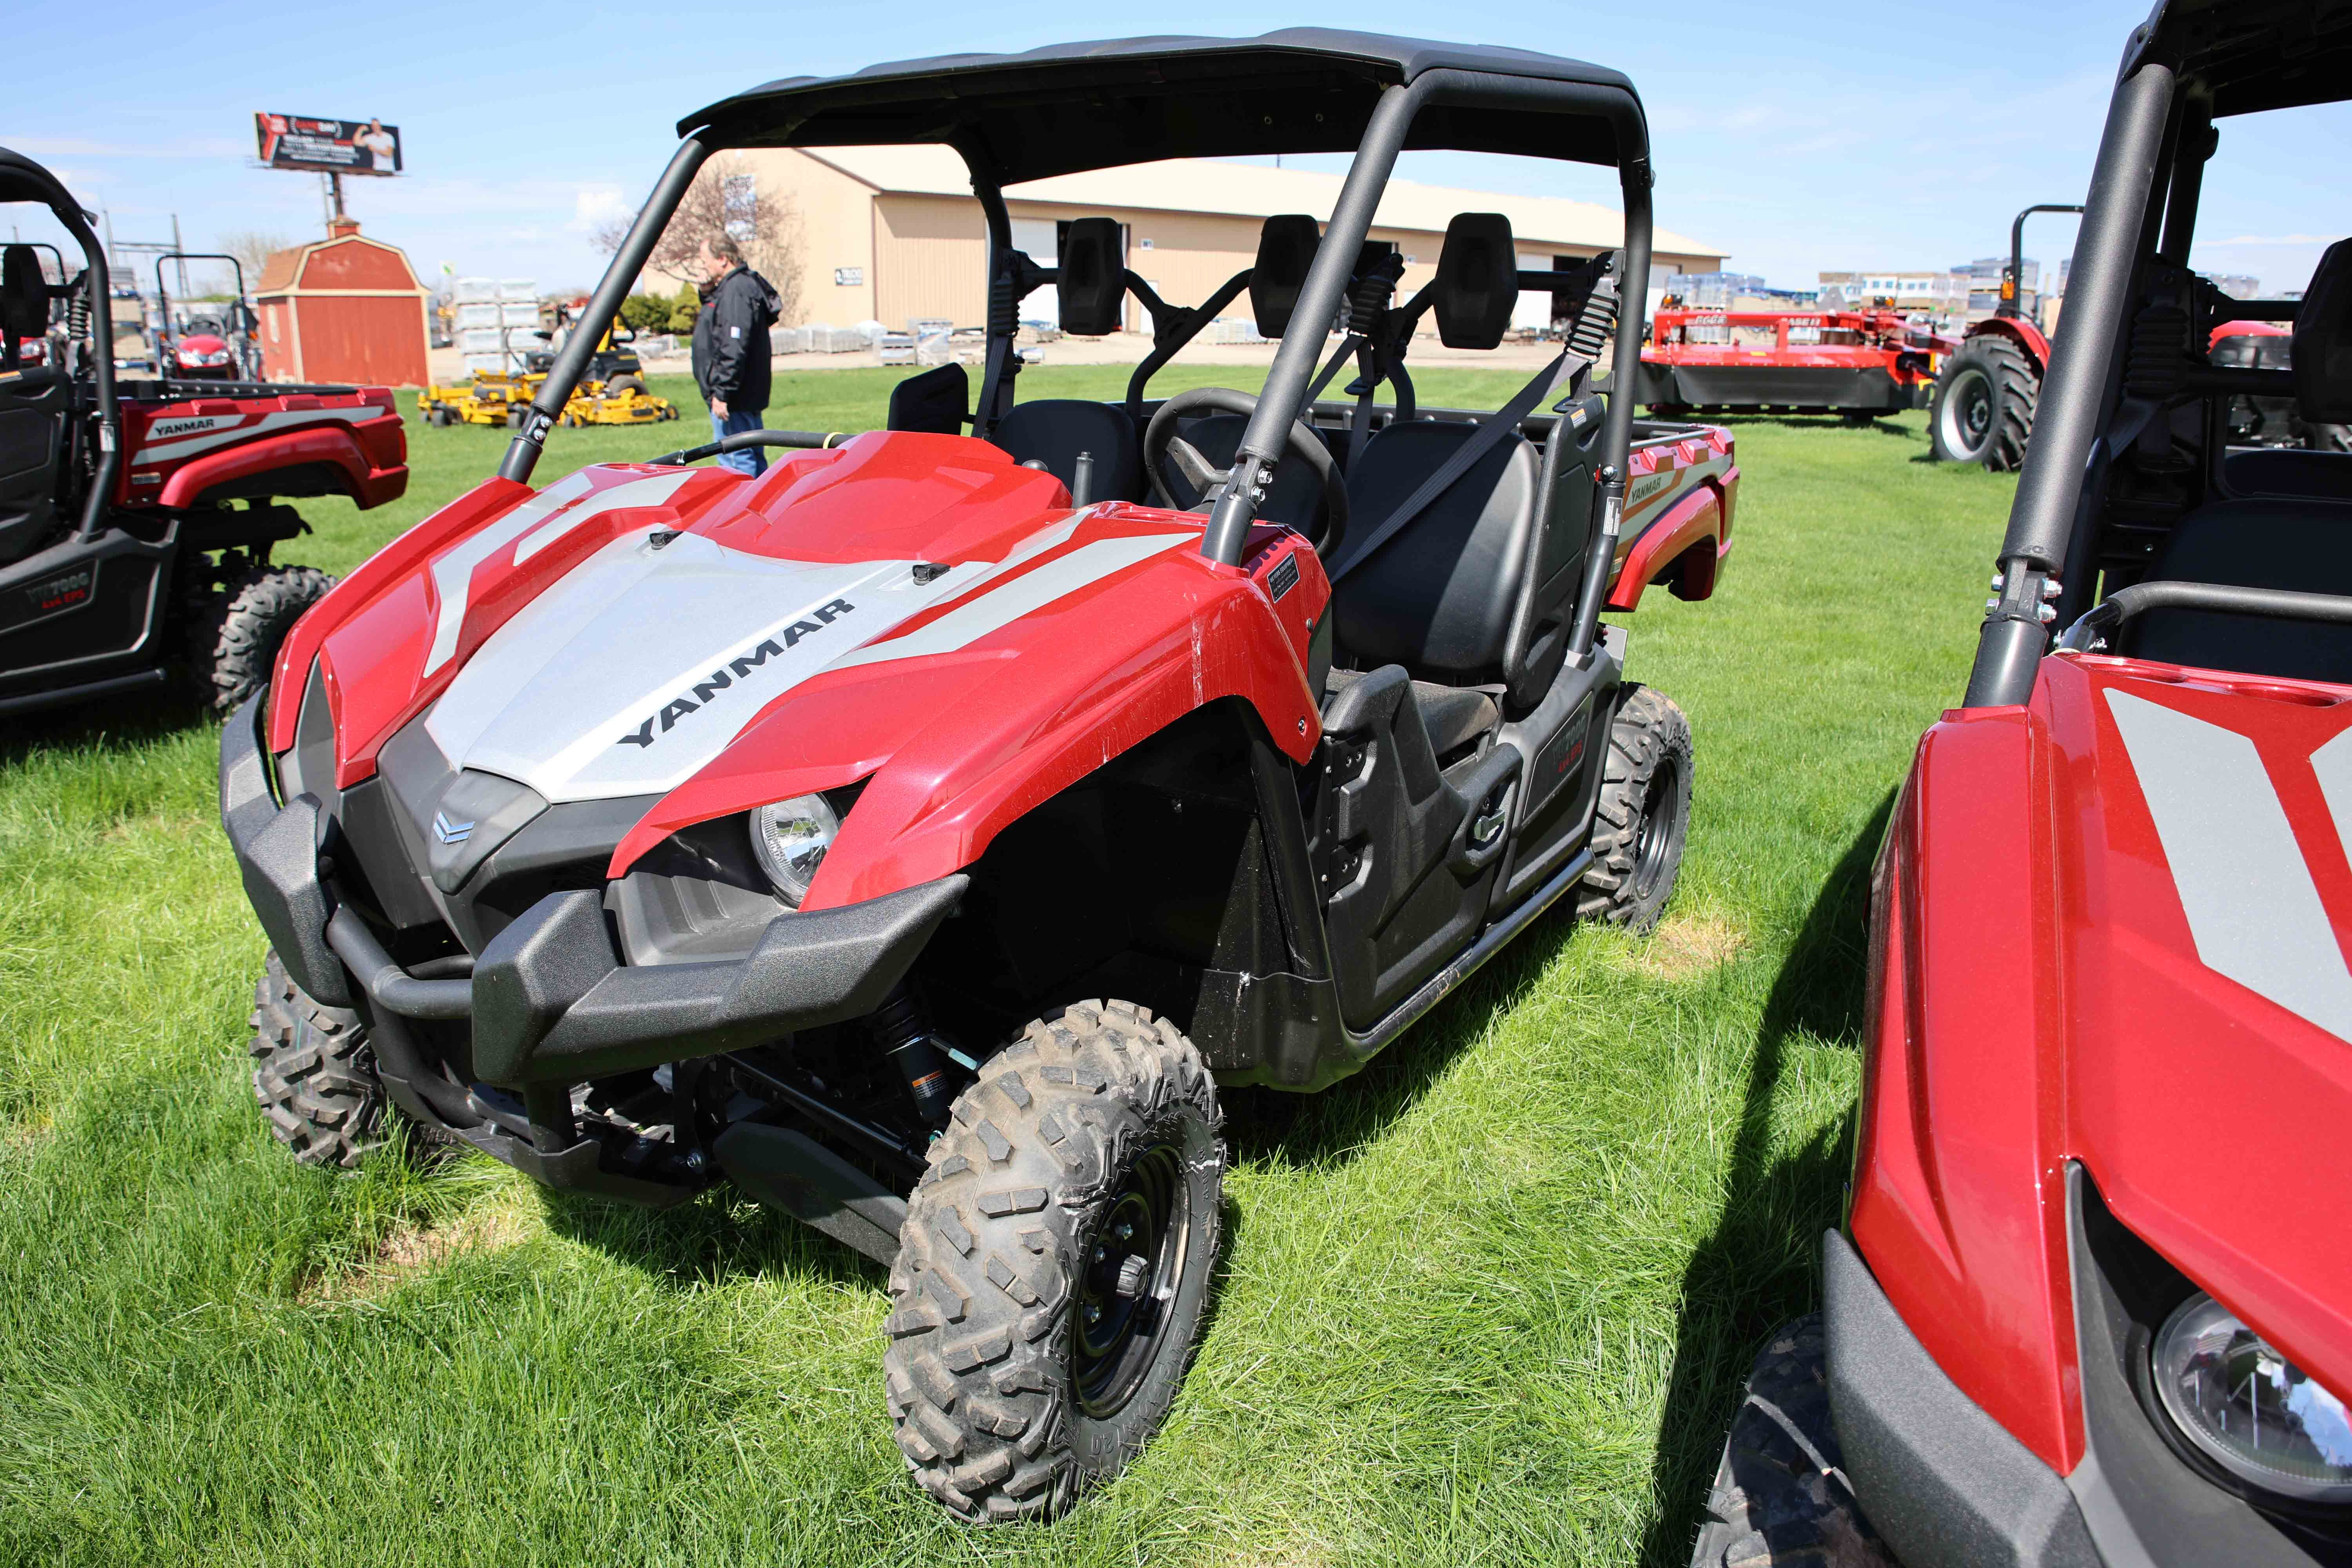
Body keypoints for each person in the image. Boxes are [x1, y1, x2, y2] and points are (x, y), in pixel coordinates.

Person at [690, 235, 782, 477]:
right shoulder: (738, 286)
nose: (704, 266)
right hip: (742, 393)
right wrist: (707, 291)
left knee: (737, 461)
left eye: (705, 260)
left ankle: (743, 513)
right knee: (750, 455)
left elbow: (734, 345)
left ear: (722, 259)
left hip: (735, 397)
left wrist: (722, 392)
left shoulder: (736, 290)